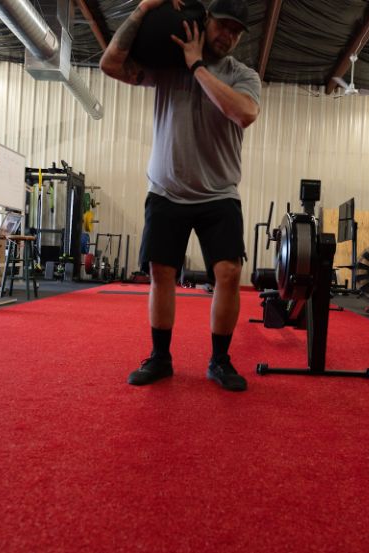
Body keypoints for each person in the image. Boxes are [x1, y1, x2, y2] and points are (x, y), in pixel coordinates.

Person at [99, 0, 260, 392]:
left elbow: (243, 113)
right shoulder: (167, 66)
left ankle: (220, 361)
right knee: (161, 273)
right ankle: (160, 358)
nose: (229, 36)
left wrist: (197, 66)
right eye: (223, 26)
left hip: (219, 192)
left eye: (237, 32)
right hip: (166, 189)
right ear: (206, 22)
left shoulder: (243, 75)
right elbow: (111, 64)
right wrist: (140, 11)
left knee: (228, 273)